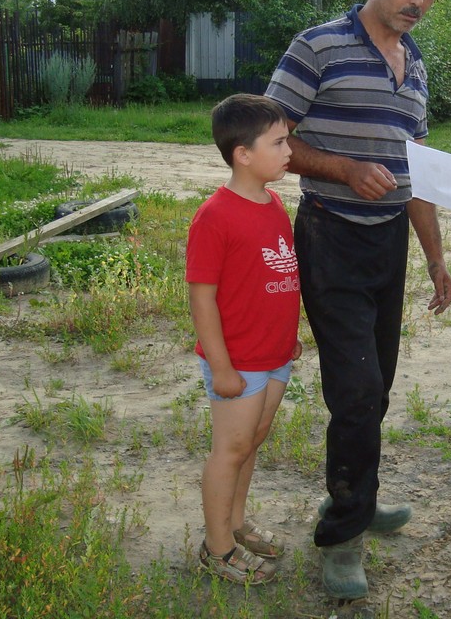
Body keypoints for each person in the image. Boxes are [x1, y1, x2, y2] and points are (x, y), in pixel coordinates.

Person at [264, 0, 451, 600]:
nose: (418, 1)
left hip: (388, 245)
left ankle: (360, 498)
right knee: (355, 391)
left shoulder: (416, 63)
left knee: (377, 386)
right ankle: (341, 536)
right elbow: (265, 142)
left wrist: (434, 257)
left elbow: (418, 170)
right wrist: (342, 167)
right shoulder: (318, 46)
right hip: (330, 234)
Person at [186, 93, 303, 585]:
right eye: (278, 142)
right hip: (238, 361)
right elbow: (202, 299)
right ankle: (217, 550)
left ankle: (234, 525)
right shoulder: (215, 216)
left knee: (252, 440)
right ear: (243, 154)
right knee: (230, 449)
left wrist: (288, 338)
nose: (289, 150)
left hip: (274, 355)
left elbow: (275, 276)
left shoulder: (273, 202)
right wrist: (223, 366)